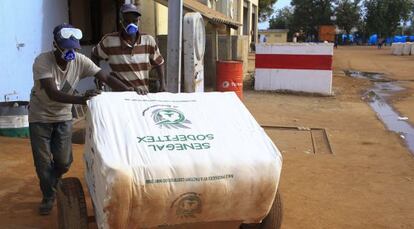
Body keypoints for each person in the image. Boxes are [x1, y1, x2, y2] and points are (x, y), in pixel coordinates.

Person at [29, 23, 131, 215]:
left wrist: (129, 92)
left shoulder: (80, 61)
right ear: (55, 45)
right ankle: (48, 196)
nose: (70, 52)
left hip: (63, 116)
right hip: (40, 117)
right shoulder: (42, 61)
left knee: (64, 161)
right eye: (66, 48)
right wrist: (82, 100)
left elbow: (107, 77)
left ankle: (53, 180)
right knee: (43, 163)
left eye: (73, 48)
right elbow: (52, 93)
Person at [92, 3, 165, 94]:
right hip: (120, 95)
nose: (131, 24)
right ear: (121, 21)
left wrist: (162, 84)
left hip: (142, 93)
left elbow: (159, 63)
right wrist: (98, 76)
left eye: (134, 21)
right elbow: (95, 55)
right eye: (127, 21)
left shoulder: (148, 40)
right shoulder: (109, 41)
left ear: (139, 21)